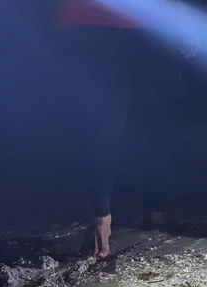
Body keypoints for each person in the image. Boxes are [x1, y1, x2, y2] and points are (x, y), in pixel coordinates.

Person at [54, 0, 196, 258]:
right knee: (106, 121)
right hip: (98, 23)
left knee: (147, 121)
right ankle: (103, 216)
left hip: (142, 24)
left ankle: (150, 212)